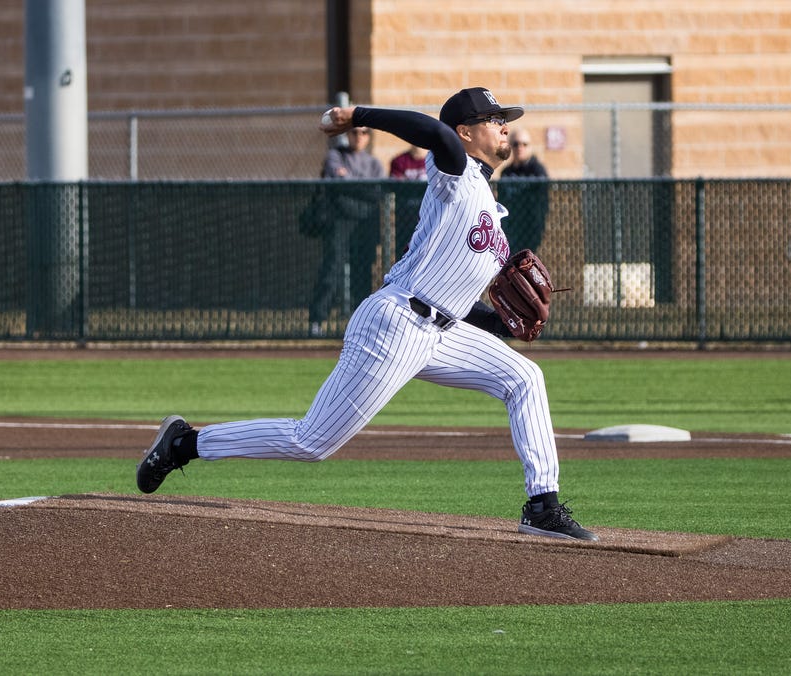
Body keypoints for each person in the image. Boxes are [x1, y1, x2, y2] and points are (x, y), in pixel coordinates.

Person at [137, 87, 597, 541]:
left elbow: (453, 297)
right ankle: (184, 444)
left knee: (524, 378)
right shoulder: (455, 173)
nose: (504, 127)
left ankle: (543, 507)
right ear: (465, 132)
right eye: (495, 120)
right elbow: (432, 132)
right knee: (311, 442)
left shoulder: (489, 208)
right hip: (396, 324)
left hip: (443, 329)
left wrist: (498, 324)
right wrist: (357, 115)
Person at [307, 126, 387, 337]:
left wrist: (351, 183)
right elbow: (339, 181)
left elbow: (378, 191)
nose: (358, 137)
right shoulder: (336, 155)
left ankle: (359, 325)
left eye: (363, 133)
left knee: (363, 273)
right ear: (348, 135)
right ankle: (317, 322)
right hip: (339, 222)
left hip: (365, 224)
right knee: (331, 269)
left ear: (369, 137)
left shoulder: (374, 163)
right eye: (354, 132)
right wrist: (363, 188)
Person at [497, 127, 550, 252]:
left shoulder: (537, 171)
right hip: (511, 227)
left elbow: (542, 201)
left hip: (531, 227)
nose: (520, 147)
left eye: (524, 144)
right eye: (515, 144)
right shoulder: (506, 172)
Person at [388, 144, 428, 251]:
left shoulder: (435, 161)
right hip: (405, 218)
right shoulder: (400, 161)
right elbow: (397, 189)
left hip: (428, 217)